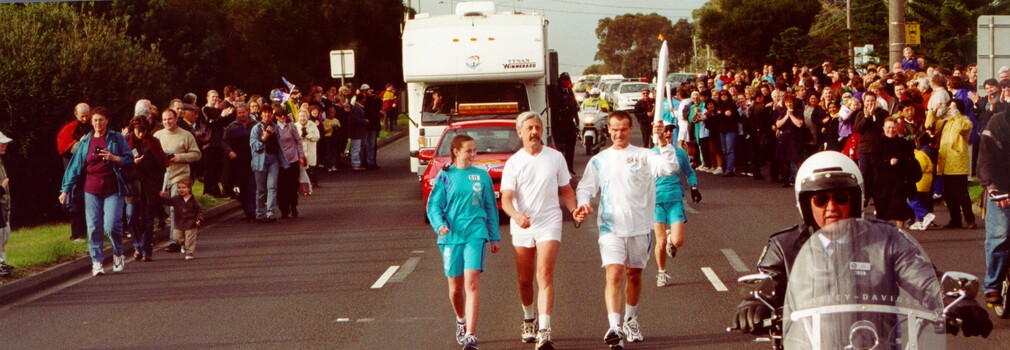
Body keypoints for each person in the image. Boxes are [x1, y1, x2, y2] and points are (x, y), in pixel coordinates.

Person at [731, 151, 992, 342]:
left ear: (855, 200)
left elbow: (926, 279)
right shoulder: (785, 245)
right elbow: (768, 282)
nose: (831, 207)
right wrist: (753, 305)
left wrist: (955, 301)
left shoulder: (888, 240)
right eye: (821, 199)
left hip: (879, 344)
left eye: (841, 197)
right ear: (807, 205)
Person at [574, 111, 677, 349]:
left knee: (634, 275)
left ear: (630, 129)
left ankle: (630, 319)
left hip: (640, 227)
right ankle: (614, 326)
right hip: (611, 227)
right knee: (614, 274)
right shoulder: (600, 160)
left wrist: (663, 142)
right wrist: (583, 202)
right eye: (614, 129)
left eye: (623, 129)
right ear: (608, 130)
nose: (618, 134)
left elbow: (669, 168)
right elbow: (585, 187)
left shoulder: (644, 155)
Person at [500, 112, 580, 350]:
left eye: (538, 127)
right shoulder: (514, 162)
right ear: (520, 132)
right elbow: (506, 199)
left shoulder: (555, 157)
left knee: (544, 275)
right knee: (525, 280)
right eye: (530, 128)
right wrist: (516, 215)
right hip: (522, 223)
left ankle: (544, 330)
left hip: (549, 221)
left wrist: (574, 210)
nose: (534, 132)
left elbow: (566, 190)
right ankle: (528, 319)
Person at [426, 134, 501, 350]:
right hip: (451, 237)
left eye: (475, 150)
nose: (473, 155)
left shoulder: (481, 176)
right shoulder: (445, 175)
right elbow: (434, 206)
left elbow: (489, 208)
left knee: (472, 283)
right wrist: (440, 224)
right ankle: (461, 319)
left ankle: (470, 334)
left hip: (475, 234)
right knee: (455, 289)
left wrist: (494, 236)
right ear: (456, 151)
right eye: (469, 151)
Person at [58, 107, 135, 276]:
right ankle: (97, 261)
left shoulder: (116, 138)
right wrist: (65, 190)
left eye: (101, 120)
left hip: (113, 189)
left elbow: (129, 159)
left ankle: (117, 254)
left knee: (112, 225)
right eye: (95, 120)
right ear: (91, 122)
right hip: (92, 190)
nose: (98, 123)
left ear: (107, 120)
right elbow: (74, 167)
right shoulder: (86, 141)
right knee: (93, 228)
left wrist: (114, 158)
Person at [652, 125, 701, 287]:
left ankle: (670, 240)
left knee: (678, 241)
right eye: (664, 131)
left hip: (675, 199)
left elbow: (689, 172)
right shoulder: (651, 153)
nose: (667, 134)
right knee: (660, 241)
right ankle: (661, 272)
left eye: (670, 132)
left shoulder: (679, 153)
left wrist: (694, 187)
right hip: (656, 201)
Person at [154, 108, 202, 253]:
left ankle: (174, 241)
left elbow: (197, 154)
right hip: (163, 177)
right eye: (164, 119)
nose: (167, 122)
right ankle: (181, 236)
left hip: (180, 176)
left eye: (170, 119)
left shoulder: (186, 135)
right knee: (167, 207)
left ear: (176, 119)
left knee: (175, 207)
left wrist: (179, 157)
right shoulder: (157, 135)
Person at [978, 107, 1010, 306]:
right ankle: (993, 285)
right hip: (1001, 186)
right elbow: (986, 160)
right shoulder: (999, 123)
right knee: (1001, 234)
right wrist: (993, 188)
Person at [125, 116, 169, 261]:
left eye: (144, 131)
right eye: (138, 131)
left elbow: (162, 165)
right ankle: (137, 245)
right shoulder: (126, 142)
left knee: (147, 218)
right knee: (131, 216)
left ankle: (146, 249)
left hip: (149, 185)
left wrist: (159, 187)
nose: (141, 134)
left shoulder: (153, 142)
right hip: (132, 185)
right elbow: (120, 162)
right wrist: (132, 162)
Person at [934, 100, 976, 229]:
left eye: (953, 108)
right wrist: (934, 111)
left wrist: (957, 115)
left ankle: (970, 220)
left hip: (957, 164)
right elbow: (932, 125)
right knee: (949, 195)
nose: (950, 110)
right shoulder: (946, 122)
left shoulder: (965, 121)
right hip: (946, 163)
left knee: (961, 193)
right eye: (950, 108)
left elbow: (962, 129)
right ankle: (955, 220)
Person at [872, 117, 919, 228]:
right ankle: (883, 236)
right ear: (884, 128)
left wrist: (901, 162)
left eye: (893, 128)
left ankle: (900, 234)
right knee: (882, 212)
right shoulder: (878, 143)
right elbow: (874, 162)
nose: (891, 130)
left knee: (899, 211)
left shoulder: (903, 143)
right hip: (882, 183)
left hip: (899, 183)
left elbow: (910, 160)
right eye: (888, 127)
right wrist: (888, 162)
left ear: (897, 129)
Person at [55, 103, 92, 241]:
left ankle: (88, 232)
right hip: (73, 169)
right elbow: (63, 148)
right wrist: (79, 144)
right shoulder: (68, 129)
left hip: (89, 170)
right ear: (76, 114)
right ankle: (76, 234)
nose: (85, 119)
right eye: (82, 116)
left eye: (87, 116)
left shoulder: (93, 124)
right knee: (74, 201)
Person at [251, 106, 287, 223]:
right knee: (261, 189)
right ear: (261, 115)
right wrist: (263, 138)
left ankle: (270, 213)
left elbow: (279, 145)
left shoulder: (275, 127)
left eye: (269, 113)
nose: (267, 115)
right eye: (264, 113)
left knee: (272, 187)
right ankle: (260, 213)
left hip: (273, 160)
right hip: (261, 160)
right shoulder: (256, 128)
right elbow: (254, 146)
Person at [223, 102, 257, 220]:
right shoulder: (231, 127)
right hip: (239, 162)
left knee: (253, 186)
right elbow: (225, 142)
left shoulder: (255, 125)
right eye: (239, 113)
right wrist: (229, 151)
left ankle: (253, 210)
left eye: (244, 112)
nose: (242, 114)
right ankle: (247, 211)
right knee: (243, 187)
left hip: (253, 159)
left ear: (248, 112)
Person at [158, 177, 203, 260]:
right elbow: (167, 201)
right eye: (179, 188)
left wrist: (199, 219)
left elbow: (199, 210)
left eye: (184, 188)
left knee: (189, 239)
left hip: (191, 223)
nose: (181, 189)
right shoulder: (176, 199)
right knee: (177, 238)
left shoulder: (193, 200)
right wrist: (162, 197)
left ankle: (189, 252)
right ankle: (183, 245)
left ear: (189, 189)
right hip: (179, 223)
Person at [549, 72, 579, 174]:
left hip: (569, 122)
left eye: (567, 79)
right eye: (563, 79)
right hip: (560, 123)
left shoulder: (569, 91)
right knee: (560, 147)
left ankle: (569, 166)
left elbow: (574, 106)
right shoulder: (557, 92)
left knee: (571, 145)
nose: (565, 81)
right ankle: (562, 169)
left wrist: (577, 119)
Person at [907, 133, 936, 230]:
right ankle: (920, 221)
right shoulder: (921, 153)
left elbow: (919, 168)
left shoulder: (918, 155)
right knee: (919, 202)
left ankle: (926, 215)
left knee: (911, 200)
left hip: (920, 183)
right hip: (925, 183)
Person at [295, 109, 321, 187]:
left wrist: (308, 135)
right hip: (300, 151)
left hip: (310, 150)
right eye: (301, 116)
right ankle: (302, 185)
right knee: (301, 169)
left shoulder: (312, 124)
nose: (302, 118)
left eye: (304, 116)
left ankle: (313, 183)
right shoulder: (295, 126)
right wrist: (300, 135)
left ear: (307, 117)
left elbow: (317, 137)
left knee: (312, 167)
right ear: (298, 117)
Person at [0, 131, 13, 276]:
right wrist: (2, 188)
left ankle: (2, 262)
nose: (4, 145)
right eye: (1, 143)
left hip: (3, 206)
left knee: (4, 234)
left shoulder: (1, 161)